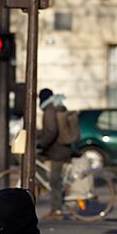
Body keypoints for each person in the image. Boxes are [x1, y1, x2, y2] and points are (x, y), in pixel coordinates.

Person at [37, 88, 73, 220]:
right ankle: (43, 184)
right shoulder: (58, 107)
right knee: (40, 160)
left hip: (58, 150)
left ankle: (57, 210)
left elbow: (51, 131)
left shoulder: (49, 111)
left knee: (54, 181)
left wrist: (42, 144)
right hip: (63, 147)